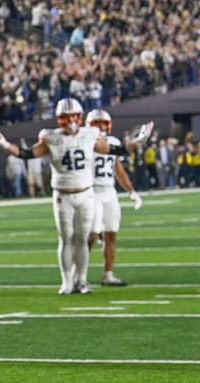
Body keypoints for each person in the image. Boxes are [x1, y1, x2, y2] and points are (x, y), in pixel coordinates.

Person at [0, 97, 152, 294]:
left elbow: (118, 150)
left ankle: (82, 281)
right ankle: (67, 282)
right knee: (66, 239)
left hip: (86, 193)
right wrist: (5, 145)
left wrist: (140, 140)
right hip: (62, 195)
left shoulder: (89, 135)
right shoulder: (51, 137)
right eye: (65, 117)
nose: (70, 121)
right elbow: (26, 153)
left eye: (73, 116)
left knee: (83, 239)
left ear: (80, 116)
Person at [84, 109, 143, 287]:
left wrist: (131, 191)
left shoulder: (114, 142)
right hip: (91, 191)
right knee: (92, 236)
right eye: (97, 124)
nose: (101, 127)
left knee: (111, 234)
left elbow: (118, 170)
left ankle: (108, 274)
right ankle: (79, 273)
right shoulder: (83, 142)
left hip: (109, 192)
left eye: (104, 123)